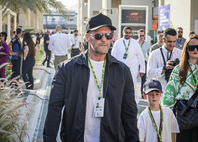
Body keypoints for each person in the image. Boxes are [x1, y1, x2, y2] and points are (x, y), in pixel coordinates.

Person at [43, 13, 139, 142]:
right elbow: (54, 109)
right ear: (87, 37)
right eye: (99, 36)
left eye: (108, 35)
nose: (104, 40)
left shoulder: (122, 71)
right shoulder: (66, 69)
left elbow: (129, 113)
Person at [163, 34, 198, 142]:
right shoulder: (179, 69)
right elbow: (169, 95)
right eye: (192, 47)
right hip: (184, 115)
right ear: (187, 50)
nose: (195, 50)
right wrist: (165, 119)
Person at [111, 26, 145, 104]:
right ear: (123, 33)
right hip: (120, 68)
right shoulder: (118, 43)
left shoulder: (135, 43)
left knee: (132, 84)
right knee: (120, 84)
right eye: (126, 32)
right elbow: (113, 56)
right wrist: (113, 68)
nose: (128, 34)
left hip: (133, 68)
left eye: (129, 33)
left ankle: (134, 102)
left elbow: (140, 56)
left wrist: (142, 69)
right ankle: (121, 101)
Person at [147, 28, 182, 92]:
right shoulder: (155, 54)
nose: (172, 44)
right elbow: (149, 74)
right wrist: (164, 69)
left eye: (174, 41)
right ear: (164, 40)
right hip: (160, 91)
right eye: (169, 41)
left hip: (176, 90)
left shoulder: (180, 53)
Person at [137, 29, 151, 98]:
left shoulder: (147, 44)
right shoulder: (135, 43)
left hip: (144, 62)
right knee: (133, 77)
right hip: (136, 62)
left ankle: (143, 93)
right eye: (140, 35)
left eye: (142, 35)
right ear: (138, 35)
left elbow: (149, 54)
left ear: (144, 35)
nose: (141, 37)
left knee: (143, 79)